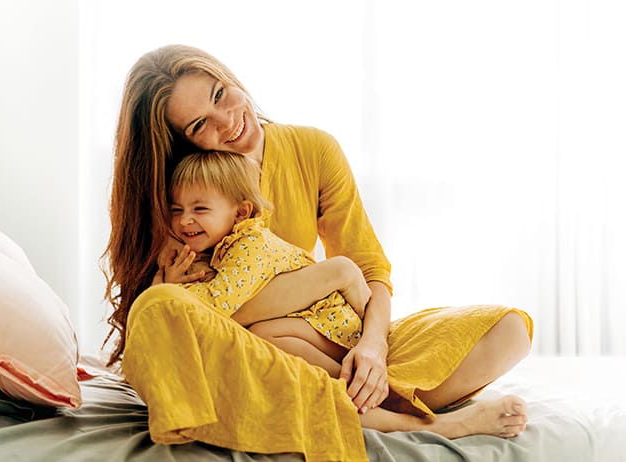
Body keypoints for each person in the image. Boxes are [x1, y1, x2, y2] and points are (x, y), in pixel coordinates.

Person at [102, 44, 534, 458]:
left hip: (328, 336)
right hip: (260, 352)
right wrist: (320, 284)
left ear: (228, 79)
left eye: (220, 95)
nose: (227, 119)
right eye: (199, 125)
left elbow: (366, 269)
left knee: (510, 330)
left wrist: (372, 349)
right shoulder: (182, 193)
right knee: (185, 316)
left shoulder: (312, 148)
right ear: (182, 142)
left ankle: (365, 394)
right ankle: (401, 413)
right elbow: (200, 320)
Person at [164, 150, 369, 376]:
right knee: (257, 336)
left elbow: (217, 304)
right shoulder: (222, 248)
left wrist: (170, 289)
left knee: (263, 334)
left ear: (241, 213)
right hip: (309, 325)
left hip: (332, 324)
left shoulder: (249, 244)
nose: (184, 220)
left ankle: (347, 385)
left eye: (200, 209)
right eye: (176, 210)